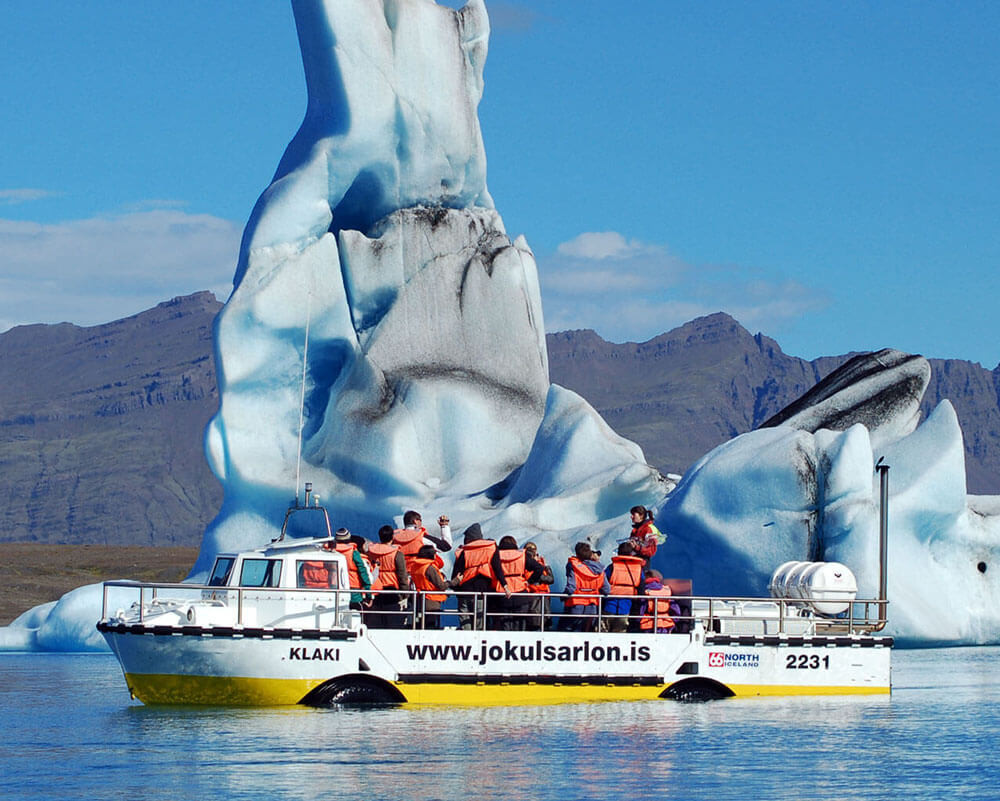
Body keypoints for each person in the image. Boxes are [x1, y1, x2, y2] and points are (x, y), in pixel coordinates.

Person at [450, 523, 510, 630]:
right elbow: (497, 568)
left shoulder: (465, 551)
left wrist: (455, 588)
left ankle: (467, 641)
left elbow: (456, 573)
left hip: (464, 591)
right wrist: (505, 585)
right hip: (481, 591)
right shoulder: (491, 548)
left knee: (465, 620)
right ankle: (477, 643)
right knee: (479, 621)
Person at [495, 536, 545, 631]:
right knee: (520, 627)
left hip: (503, 593)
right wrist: (530, 581)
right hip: (521, 593)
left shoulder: (496, 556)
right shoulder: (521, 555)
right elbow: (540, 568)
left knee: (504, 627)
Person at [366, 525, 410, 628]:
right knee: (392, 622)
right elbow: (402, 575)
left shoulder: (371, 552)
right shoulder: (397, 554)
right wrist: (405, 594)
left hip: (375, 589)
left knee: (375, 622)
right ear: (392, 537)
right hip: (392, 590)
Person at [560, 542, 609, 632]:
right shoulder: (599, 569)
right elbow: (606, 589)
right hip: (592, 605)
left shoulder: (573, 566)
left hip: (576, 604)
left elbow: (571, 586)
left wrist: (564, 596)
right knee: (587, 631)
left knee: (568, 630)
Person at [604, 541, 646, 632]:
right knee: (620, 633)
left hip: (610, 604)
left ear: (619, 552)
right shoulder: (638, 569)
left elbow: (603, 582)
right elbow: (641, 587)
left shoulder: (612, 567)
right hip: (626, 606)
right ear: (631, 553)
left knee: (603, 631)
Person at [332, 527, 372, 610]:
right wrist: (369, 595)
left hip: (334, 590)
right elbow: (363, 572)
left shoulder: (329, 552)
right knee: (355, 617)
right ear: (349, 539)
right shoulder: (353, 553)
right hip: (354, 593)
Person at [410, 544, 449, 629]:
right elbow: (441, 586)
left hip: (420, 599)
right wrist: (454, 581)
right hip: (432, 600)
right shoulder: (429, 568)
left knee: (421, 625)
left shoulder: (415, 566)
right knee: (430, 625)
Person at [523, 541, 554, 631]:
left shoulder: (541, 565)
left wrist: (546, 566)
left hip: (545, 598)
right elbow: (547, 579)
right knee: (534, 623)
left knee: (547, 624)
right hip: (533, 598)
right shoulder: (527, 565)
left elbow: (551, 579)